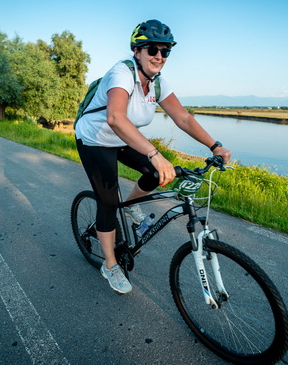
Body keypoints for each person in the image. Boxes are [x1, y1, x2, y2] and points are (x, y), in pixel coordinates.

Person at [74, 20, 232, 294]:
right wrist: (155, 153)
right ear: (137, 51)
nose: (159, 56)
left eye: (165, 51)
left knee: (156, 174)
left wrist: (214, 146)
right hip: (95, 139)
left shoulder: (158, 84)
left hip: (122, 137)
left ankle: (130, 206)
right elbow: (115, 118)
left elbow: (183, 118)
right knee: (108, 202)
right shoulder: (121, 74)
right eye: (152, 49)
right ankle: (110, 265)